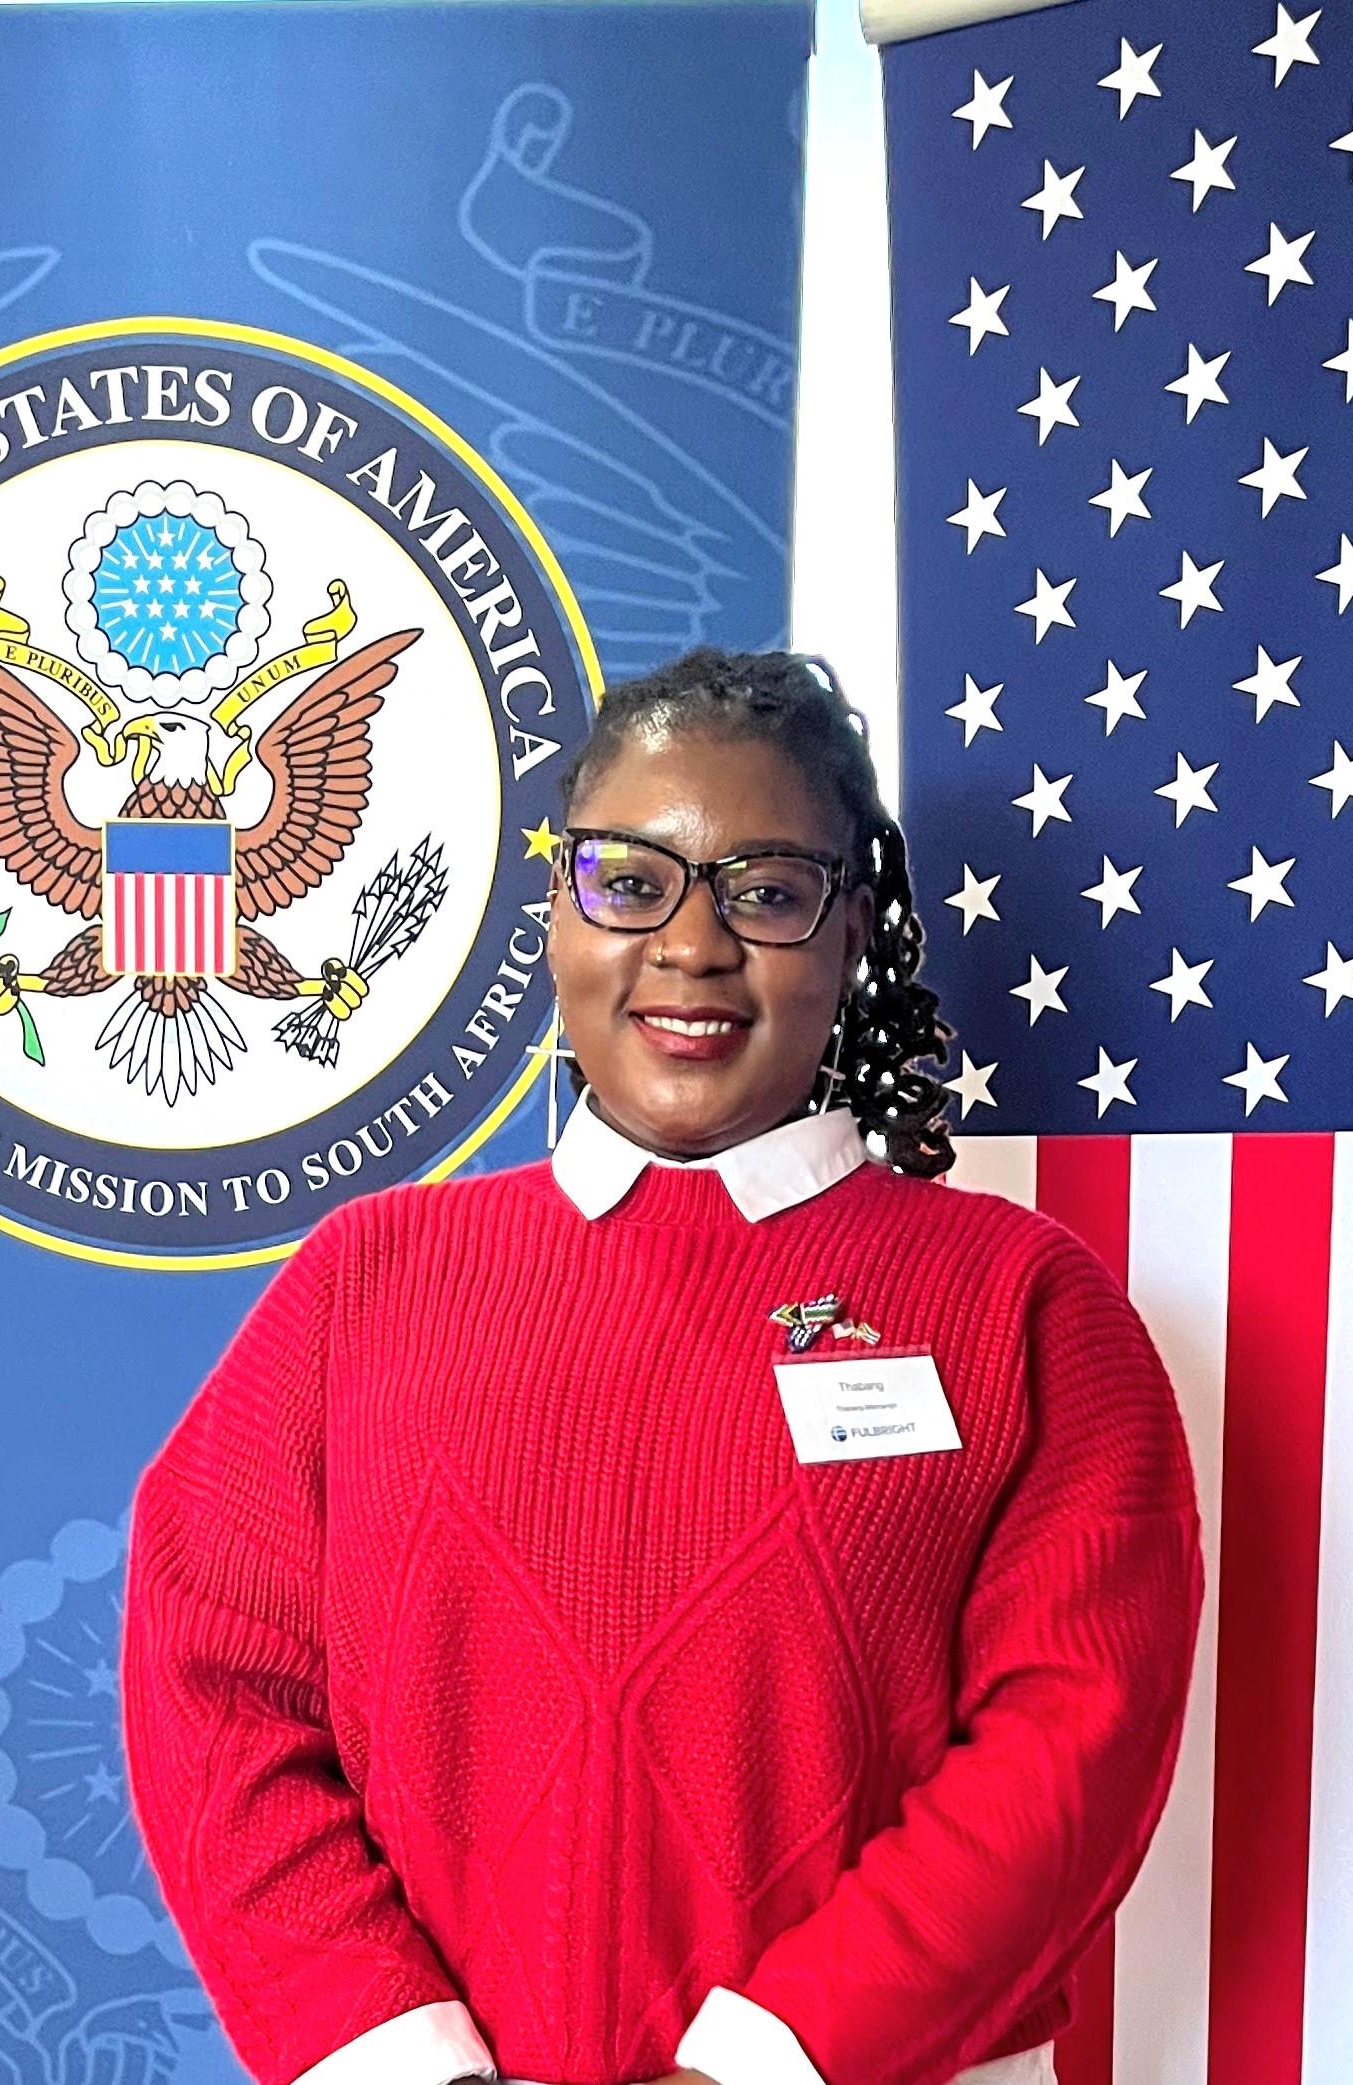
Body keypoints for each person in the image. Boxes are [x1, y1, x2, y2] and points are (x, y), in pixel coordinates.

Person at [120, 647, 1206, 2085]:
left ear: (851, 930)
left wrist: (757, 2067)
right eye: (633, 881)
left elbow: (1073, 1742)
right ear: (561, 911)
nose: (693, 946)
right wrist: (400, 2059)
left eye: (765, 891)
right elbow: (215, 1688)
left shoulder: (1024, 1307)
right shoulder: (363, 1282)